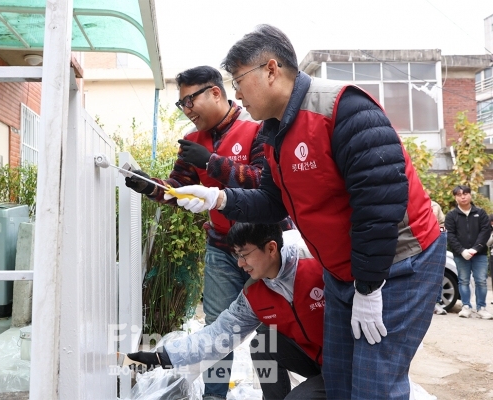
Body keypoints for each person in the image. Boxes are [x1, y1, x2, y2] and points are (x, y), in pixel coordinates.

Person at [165, 24, 446, 399]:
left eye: (238, 80)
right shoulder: (272, 133)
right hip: (344, 270)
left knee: (373, 385)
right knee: (339, 381)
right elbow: (271, 199)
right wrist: (218, 199)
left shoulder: (343, 110)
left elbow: (380, 207)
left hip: (397, 265)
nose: (236, 94)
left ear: (270, 69)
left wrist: (368, 286)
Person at [124, 65, 292, 400]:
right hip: (220, 247)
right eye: (181, 104)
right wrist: (151, 187)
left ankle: (282, 395)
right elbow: (178, 191)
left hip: (265, 248)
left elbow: (262, 182)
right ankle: (214, 396)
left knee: (274, 328)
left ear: (215, 92)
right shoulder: (191, 142)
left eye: (190, 100)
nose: (186, 110)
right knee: (218, 326)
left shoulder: (257, 129)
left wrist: (211, 162)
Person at [127, 223, 326, 400]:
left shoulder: (318, 262)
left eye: (245, 255)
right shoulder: (253, 293)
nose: (240, 264)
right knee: (262, 346)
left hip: (346, 362)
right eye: (237, 256)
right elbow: (219, 334)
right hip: (314, 359)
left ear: (271, 248)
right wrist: (162, 357)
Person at [445, 185, 492, 319]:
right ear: (455, 197)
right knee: (463, 280)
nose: (463, 197)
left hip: (480, 253)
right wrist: (462, 250)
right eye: (459, 194)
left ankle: (481, 307)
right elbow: (450, 235)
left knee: (481, 281)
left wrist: (475, 248)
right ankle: (466, 306)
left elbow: (485, 231)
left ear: (470, 195)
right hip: (461, 255)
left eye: (465, 193)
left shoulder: (480, 213)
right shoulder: (451, 215)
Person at [431, 199, 448, 315]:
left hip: (436, 238)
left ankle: (436, 303)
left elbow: (433, 219)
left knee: (437, 273)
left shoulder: (432, 205)